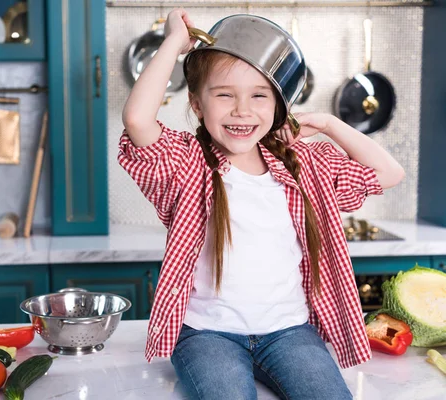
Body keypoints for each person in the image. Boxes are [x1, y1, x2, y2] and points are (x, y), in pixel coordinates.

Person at [118, 8, 405, 400]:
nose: (242, 110)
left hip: (290, 331)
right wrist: (172, 43)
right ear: (198, 106)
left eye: (259, 96)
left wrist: (327, 123)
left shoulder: (305, 164)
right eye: (224, 95)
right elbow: (137, 119)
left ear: (277, 106)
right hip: (208, 336)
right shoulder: (187, 164)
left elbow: (389, 173)